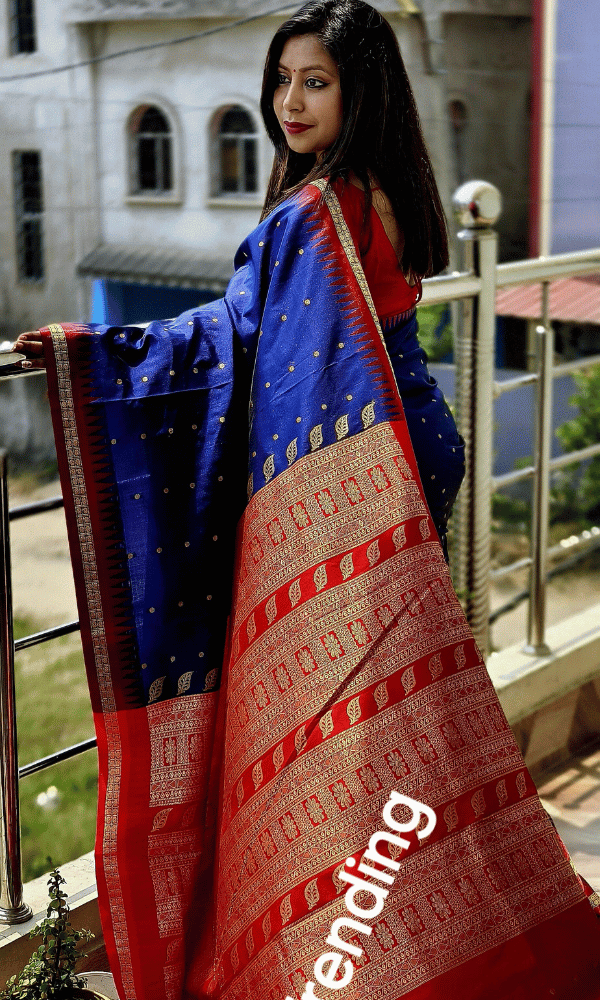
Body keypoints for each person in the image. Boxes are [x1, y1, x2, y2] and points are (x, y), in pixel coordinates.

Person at [13, 3, 600, 999]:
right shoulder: (381, 193)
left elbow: (232, 335)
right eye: (282, 81)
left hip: (361, 468)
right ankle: (412, 908)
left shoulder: (311, 212)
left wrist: (92, 351)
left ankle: (354, 946)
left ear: (358, 89)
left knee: (347, 717)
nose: (290, 101)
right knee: (391, 704)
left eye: (315, 81)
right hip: (411, 443)